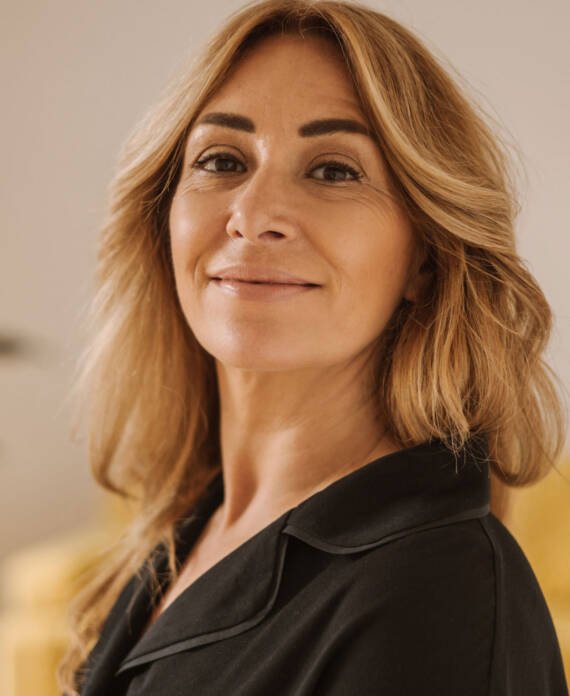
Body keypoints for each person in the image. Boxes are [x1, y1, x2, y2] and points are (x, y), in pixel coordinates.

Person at [58, 1, 568, 694]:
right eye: (222, 160)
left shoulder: (438, 592)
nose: (252, 215)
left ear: (424, 258)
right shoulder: (194, 525)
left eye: (333, 171)